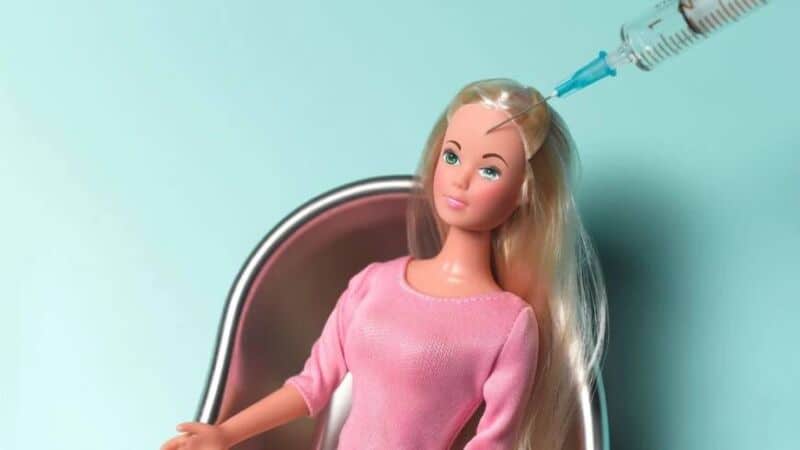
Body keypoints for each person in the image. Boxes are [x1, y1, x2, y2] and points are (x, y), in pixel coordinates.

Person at [160, 78, 608, 450]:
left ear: (524, 191)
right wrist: (225, 434)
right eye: (452, 156)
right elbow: (311, 385)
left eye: (490, 170)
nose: (461, 179)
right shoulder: (374, 283)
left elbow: (494, 443)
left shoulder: (508, 324)